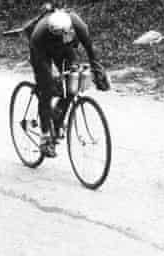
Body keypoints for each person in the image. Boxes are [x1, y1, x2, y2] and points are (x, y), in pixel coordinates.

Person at [28, 8, 109, 158]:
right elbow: (41, 63)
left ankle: (58, 115)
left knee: (73, 82)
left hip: (65, 50)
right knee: (47, 88)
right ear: (53, 32)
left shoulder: (78, 25)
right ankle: (45, 138)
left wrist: (98, 71)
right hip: (42, 51)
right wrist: (51, 77)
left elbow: (89, 48)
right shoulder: (39, 34)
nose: (63, 36)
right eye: (59, 35)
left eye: (66, 34)